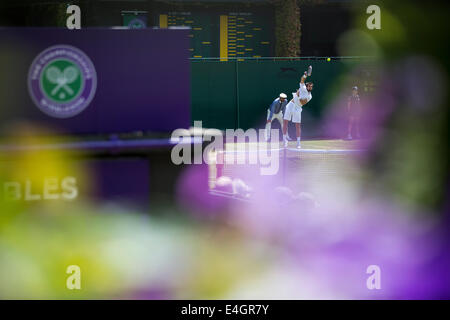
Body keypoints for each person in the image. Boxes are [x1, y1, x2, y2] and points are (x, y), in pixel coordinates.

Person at [282, 70, 313, 148]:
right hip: (291, 105)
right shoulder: (302, 87)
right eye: (309, 86)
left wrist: (297, 95)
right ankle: (284, 140)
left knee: (297, 126)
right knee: (285, 122)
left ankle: (298, 143)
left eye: (311, 86)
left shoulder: (310, 96)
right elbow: (302, 79)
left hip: (298, 108)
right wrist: (305, 75)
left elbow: (302, 102)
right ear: (306, 86)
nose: (310, 87)